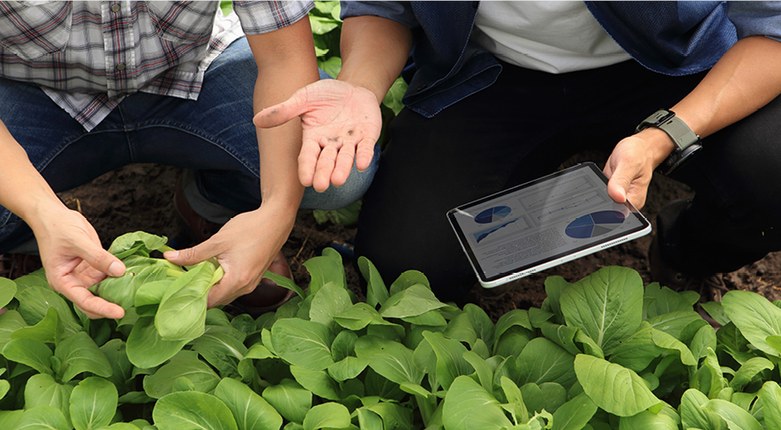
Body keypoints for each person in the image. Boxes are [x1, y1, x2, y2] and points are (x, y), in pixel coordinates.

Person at [255, 1, 781, 303]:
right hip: (495, 74)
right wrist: (360, 86)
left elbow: (773, 30)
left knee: (770, 170)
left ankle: (684, 249)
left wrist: (662, 134)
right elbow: (383, 8)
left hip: (667, 65)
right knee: (410, 265)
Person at [0, 1, 376, 319]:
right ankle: (33, 237)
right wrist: (40, 211)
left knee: (333, 166)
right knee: (18, 206)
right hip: (34, 93)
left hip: (191, 74)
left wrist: (277, 210)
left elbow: (283, 58)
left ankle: (216, 205)